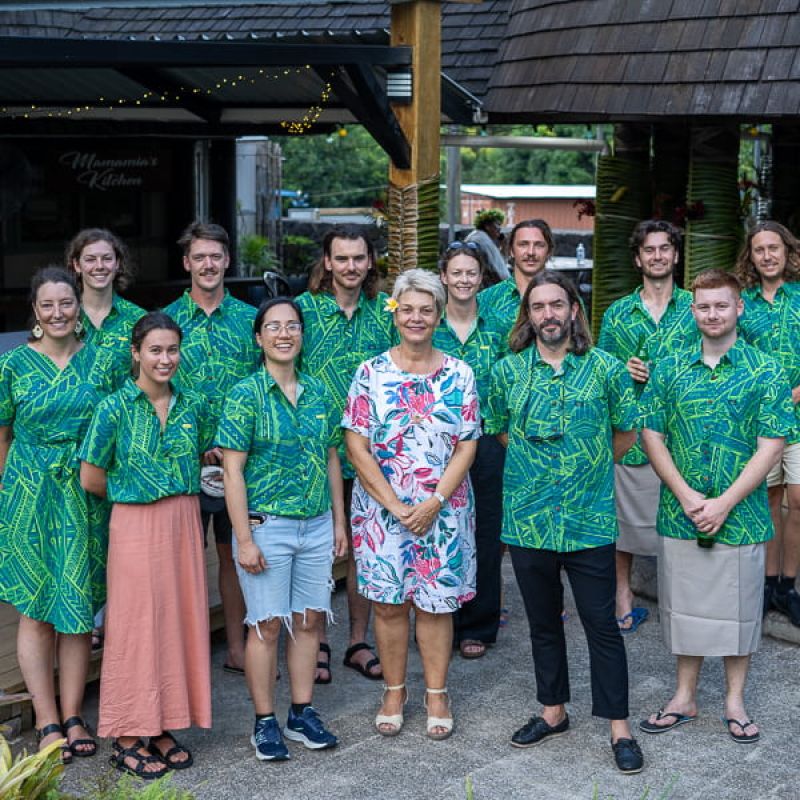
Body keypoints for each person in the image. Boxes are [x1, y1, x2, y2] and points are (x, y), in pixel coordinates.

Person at [485, 270, 643, 774]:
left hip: (588, 519)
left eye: (557, 304)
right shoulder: (507, 372)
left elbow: (626, 433)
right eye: (538, 307)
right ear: (527, 316)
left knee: (602, 624)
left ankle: (619, 726)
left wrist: (586, 466)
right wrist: (539, 474)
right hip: (529, 522)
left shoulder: (606, 369)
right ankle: (553, 712)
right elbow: (500, 431)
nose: (548, 314)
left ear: (574, 309)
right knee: (543, 623)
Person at [639, 269, 793, 745]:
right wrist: (687, 496)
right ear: (694, 310)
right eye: (703, 306)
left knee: (740, 610)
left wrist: (725, 502)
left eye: (721, 305)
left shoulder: (766, 370)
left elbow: (772, 443)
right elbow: (651, 433)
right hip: (681, 511)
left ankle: (734, 701)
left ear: (739, 308)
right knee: (683, 607)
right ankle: (684, 696)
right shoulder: (669, 366)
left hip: (741, 512)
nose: (712, 314)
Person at [343, 268, 479, 740]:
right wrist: (396, 506)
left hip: (443, 511)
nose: (416, 317)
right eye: (408, 309)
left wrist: (435, 501)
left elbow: (467, 444)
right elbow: (355, 444)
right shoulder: (370, 372)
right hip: (383, 513)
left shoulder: (460, 373)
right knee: (388, 605)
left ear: (439, 315)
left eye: (426, 309)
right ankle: (395, 690)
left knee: (437, 606)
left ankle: (437, 692)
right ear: (394, 313)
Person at [79, 312, 213, 779]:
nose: (165, 359)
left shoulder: (192, 404)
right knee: (135, 626)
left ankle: (162, 723)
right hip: (134, 523)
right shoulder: (113, 408)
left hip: (182, 520)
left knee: (175, 621)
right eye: (155, 350)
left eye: (172, 350)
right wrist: (135, 491)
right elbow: (91, 477)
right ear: (136, 353)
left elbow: (204, 456)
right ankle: (128, 734)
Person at [217, 297, 347, 761]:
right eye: (273, 327)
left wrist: (338, 521)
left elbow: (332, 456)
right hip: (266, 526)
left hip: (314, 525)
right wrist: (244, 539)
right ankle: (264, 721)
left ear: (302, 334)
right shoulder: (244, 395)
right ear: (259, 338)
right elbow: (232, 473)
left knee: (309, 619)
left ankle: (302, 712)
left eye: (292, 325)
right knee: (267, 625)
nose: (284, 334)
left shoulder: (318, 392)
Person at [0, 266, 108, 764]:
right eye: (48, 305)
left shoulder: (102, 363)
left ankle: (73, 714)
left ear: (77, 308)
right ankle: (46, 720)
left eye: (67, 303)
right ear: (36, 312)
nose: (59, 312)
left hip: (84, 494)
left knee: (78, 610)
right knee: (37, 608)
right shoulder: (14, 365)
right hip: (28, 496)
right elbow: (2, 436)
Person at [296, 226, 395, 683]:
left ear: (370, 261)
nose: (351, 267)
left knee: (363, 549)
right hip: (317, 450)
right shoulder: (303, 311)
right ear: (327, 262)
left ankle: (358, 639)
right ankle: (314, 641)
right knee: (318, 548)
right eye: (343, 258)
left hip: (374, 453)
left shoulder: (386, 312)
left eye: (359, 258)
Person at [165, 221, 261, 675]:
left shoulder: (249, 320)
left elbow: (263, 385)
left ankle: (238, 646)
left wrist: (231, 442)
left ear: (227, 261)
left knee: (233, 553)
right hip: (179, 462)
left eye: (215, 256)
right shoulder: (165, 321)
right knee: (181, 560)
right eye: (199, 256)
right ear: (186, 262)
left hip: (235, 461)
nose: (208, 264)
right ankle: (184, 653)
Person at [597, 220, 698, 633]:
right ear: (638, 258)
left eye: (665, 248)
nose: (657, 256)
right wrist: (624, 369)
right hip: (633, 435)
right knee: (624, 525)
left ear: (675, 255)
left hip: (686, 436)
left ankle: (686, 603)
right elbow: (598, 374)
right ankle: (624, 594)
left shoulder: (697, 307)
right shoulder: (618, 313)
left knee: (684, 520)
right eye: (649, 250)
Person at [433, 241, 508, 658]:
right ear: (444, 276)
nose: (463, 280)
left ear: (482, 278)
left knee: (485, 532)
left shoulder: (498, 325)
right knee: (439, 530)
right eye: (456, 272)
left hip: (486, 440)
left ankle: (479, 624)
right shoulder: (429, 324)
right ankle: (438, 615)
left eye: (471, 273)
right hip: (434, 447)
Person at [735, 221, 800, 626]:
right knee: (770, 500)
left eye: (774, 248)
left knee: (799, 499)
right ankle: (770, 583)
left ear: (787, 251)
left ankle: (791, 583)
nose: (767, 256)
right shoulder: (743, 303)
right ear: (752, 257)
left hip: (799, 415)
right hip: (761, 422)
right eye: (759, 250)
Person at [66, 228, 145, 392]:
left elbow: (146, 380)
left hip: (121, 416)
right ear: (77, 265)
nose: (99, 266)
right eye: (90, 259)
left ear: (117, 264)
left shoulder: (139, 319)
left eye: (107, 258)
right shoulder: (62, 317)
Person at [479, 218, 554, 344]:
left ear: (549, 252)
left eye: (539, 245)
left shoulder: (566, 298)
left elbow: (580, 346)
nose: (531, 252)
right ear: (511, 251)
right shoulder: (486, 299)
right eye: (523, 244)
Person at [465, 208, 510, 284]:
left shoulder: (485, 239)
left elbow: (500, 265)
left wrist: (504, 247)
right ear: (487, 226)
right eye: (497, 225)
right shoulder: (480, 240)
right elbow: (494, 271)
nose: (500, 229)